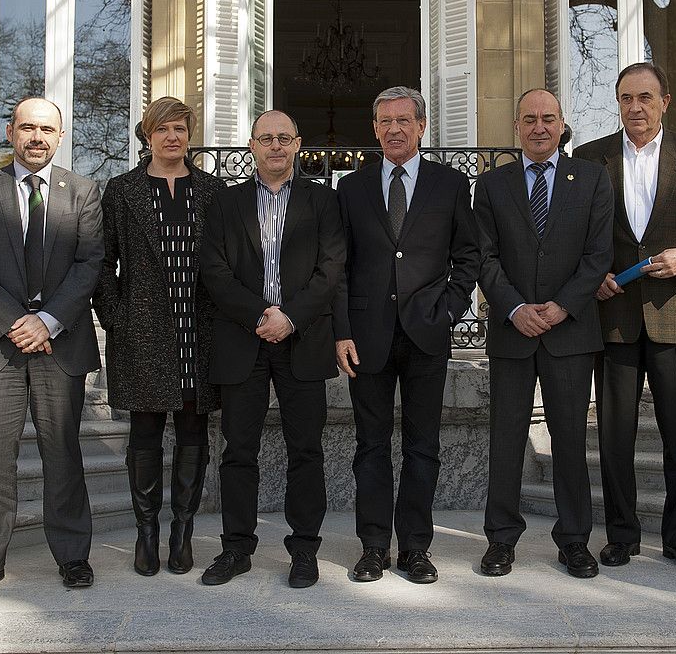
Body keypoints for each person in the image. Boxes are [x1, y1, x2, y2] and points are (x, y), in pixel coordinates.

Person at [574, 62, 676, 573]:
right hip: (614, 314)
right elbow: (578, 237)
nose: (635, 108)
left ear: (666, 101)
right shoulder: (590, 158)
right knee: (615, 436)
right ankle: (621, 535)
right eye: (625, 98)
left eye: (645, 98)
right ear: (616, 103)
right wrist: (590, 275)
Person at [0, 97, 103, 597]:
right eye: (27, 128)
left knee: (62, 453)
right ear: (10, 132)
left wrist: (47, 321)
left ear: (61, 136)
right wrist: (17, 322)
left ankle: (73, 556)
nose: (37, 137)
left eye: (47, 129)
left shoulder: (83, 192)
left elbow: (90, 265)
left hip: (58, 343)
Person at [334, 86, 480, 584]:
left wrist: (450, 311)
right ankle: (374, 546)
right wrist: (342, 331)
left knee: (424, 447)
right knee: (370, 447)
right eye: (384, 121)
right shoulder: (351, 188)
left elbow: (469, 256)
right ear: (374, 129)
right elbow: (340, 266)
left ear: (421, 126)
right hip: (367, 337)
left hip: (427, 333)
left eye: (403, 120)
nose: (394, 129)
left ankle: (416, 547)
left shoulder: (450, 184)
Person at [198, 110, 344, 588]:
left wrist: (290, 316)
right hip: (244, 340)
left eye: (285, 137)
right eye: (267, 138)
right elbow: (214, 271)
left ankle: (304, 551)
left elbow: (331, 270)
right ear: (252, 145)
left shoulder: (324, 202)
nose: (276, 145)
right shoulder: (225, 203)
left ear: (298, 144)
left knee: (307, 450)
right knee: (238, 450)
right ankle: (236, 549)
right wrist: (261, 315)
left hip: (303, 341)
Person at [473, 89, 613, 578]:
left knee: (571, 441)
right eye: (529, 118)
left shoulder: (593, 179)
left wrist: (560, 307)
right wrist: (512, 308)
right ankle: (501, 541)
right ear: (516, 126)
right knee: (506, 440)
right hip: (512, 333)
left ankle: (575, 540)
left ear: (561, 124)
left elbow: (598, 255)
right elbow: (484, 258)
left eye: (548, 118)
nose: (539, 127)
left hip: (570, 333)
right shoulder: (491, 186)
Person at [94, 97, 226, 577]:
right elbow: (102, 261)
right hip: (142, 330)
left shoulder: (212, 190)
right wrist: (116, 317)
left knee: (193, 431)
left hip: (200, 328)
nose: (173, 136)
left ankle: (183, 532)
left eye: (181, 128)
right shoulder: (122, 190)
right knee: (145, 433)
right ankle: (146, 533)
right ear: (146, 135)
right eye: (163, 128)